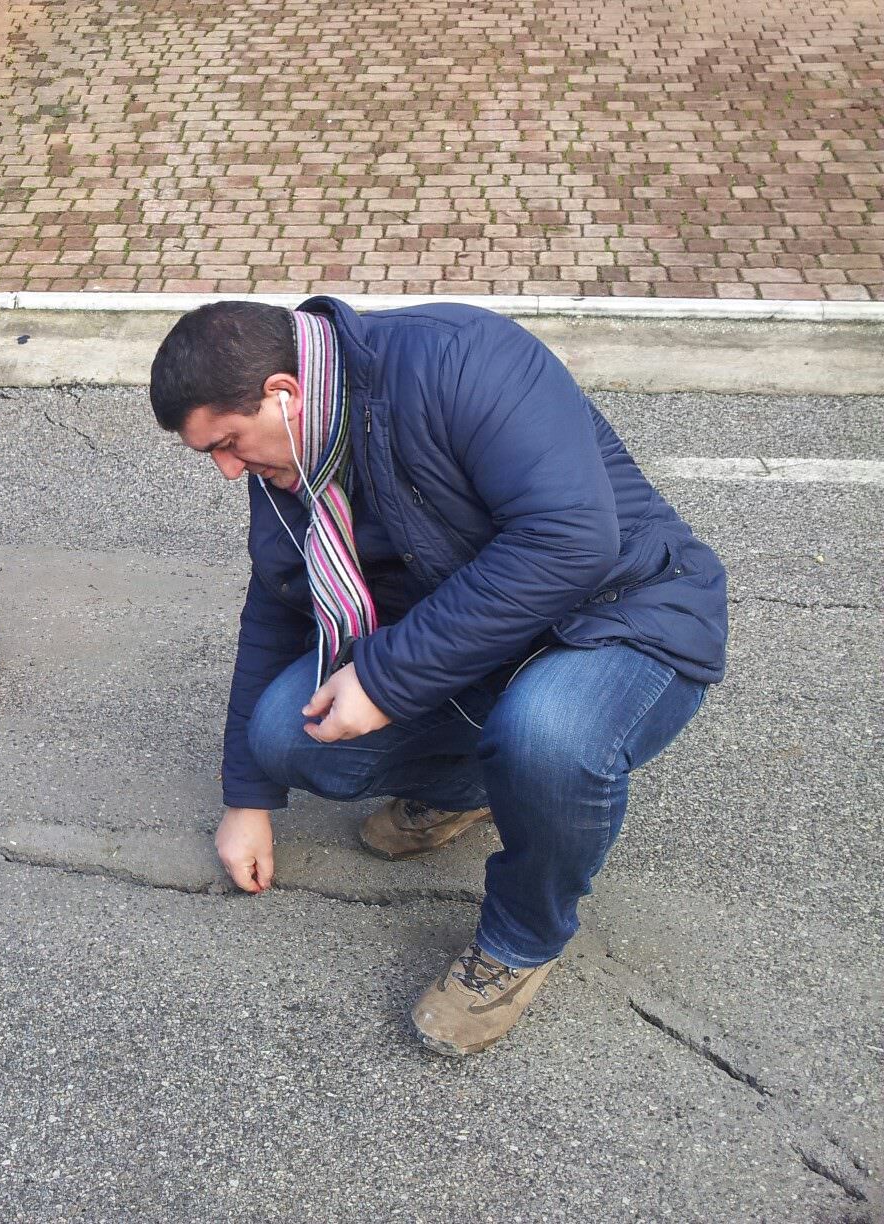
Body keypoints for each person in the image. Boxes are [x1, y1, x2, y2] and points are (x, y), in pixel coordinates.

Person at [149, 298, 727, 1055]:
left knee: (547, 735)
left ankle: (521, 939)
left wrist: (386, 680)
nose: (228, 471)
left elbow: (571, 540)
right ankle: (473, 790)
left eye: (226, 444)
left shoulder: (460, 359)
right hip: (477, 641)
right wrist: (246, 799)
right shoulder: (292, 450)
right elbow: (276, 604)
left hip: (621, 615)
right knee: (284, 736)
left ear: (284, 392)